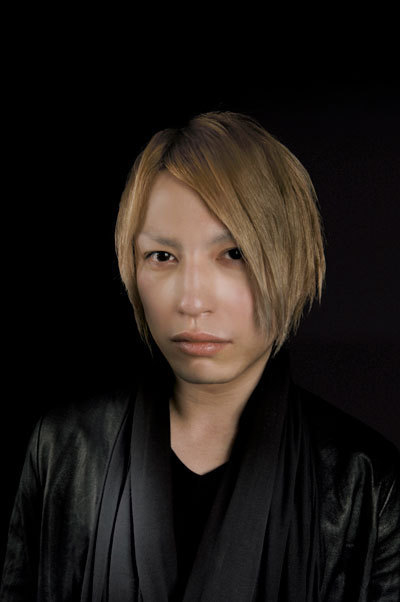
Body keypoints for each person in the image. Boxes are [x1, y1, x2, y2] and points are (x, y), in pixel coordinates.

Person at [1, 111, 399, 601]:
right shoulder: (63, 449)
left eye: (234, 254)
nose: (191, 301)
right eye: (162, 256)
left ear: (292, 261)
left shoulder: (367, 481)